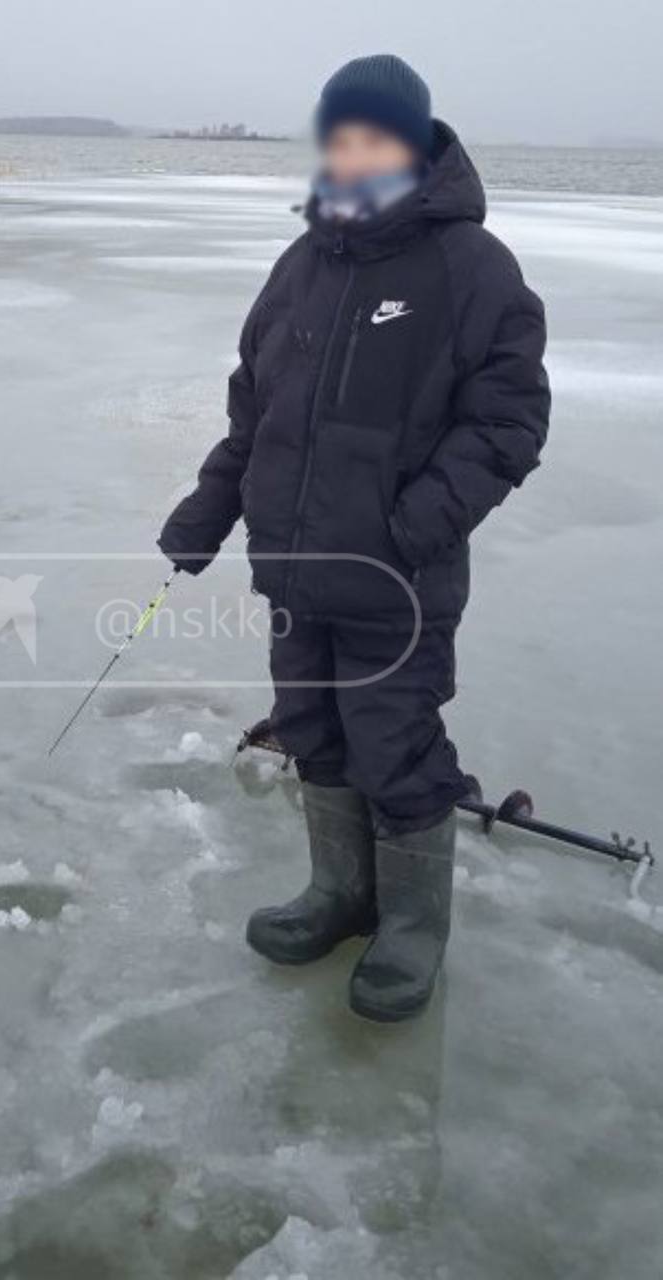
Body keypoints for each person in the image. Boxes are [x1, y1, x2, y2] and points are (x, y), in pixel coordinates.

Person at [158, 54, 550, 1022]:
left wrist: (415, 522)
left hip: (397, 583)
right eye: (341, 136)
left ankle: (412, 927)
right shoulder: (301, 268)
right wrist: (210, 509)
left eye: (375, 134)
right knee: (315, 732)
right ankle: (340, 891)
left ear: (414, 141)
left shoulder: (472, 270)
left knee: (397, 745)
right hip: (296, 572)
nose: (355, 153)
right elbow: (256, 416)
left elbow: (510, 421)